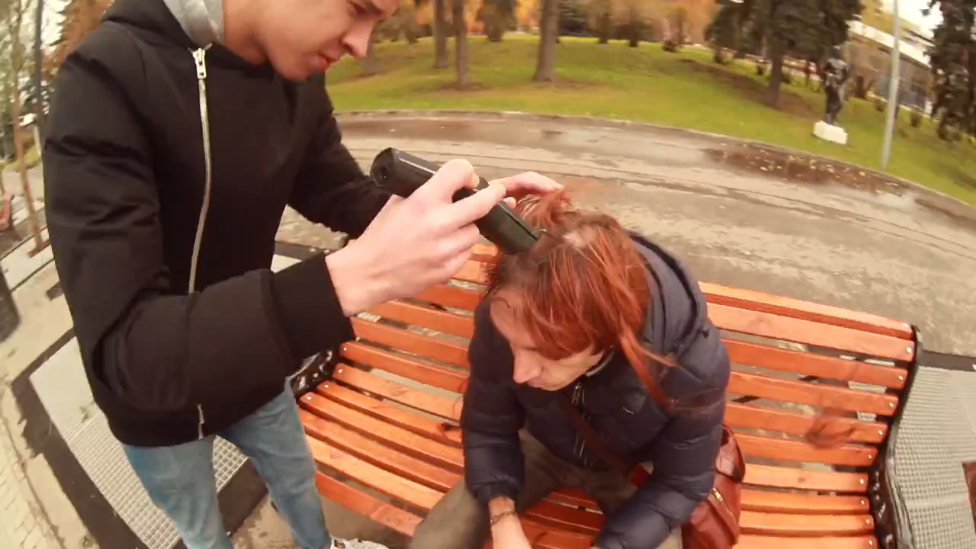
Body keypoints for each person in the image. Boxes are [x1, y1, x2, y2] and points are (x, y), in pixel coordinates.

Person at [42, 0, 560, 548]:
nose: (361, 44)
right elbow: (127, 350)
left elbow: (339, 191)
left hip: (255, 371)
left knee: (297, 487)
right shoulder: (104, 78)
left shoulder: (297, 77)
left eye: (377, 23)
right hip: (157, 415)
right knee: (203, 533)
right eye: (357, 9)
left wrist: (468, 209)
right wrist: (351, 278)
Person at [410, 192, 731, 549]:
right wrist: (503, 520)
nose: (520, 373)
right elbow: (488, 424)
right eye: (515, 346)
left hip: (632, 471)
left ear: (610, 336)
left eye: (547, 354)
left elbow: (679, 485)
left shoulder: (692, 361)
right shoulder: (508, 315)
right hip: (537, 447)